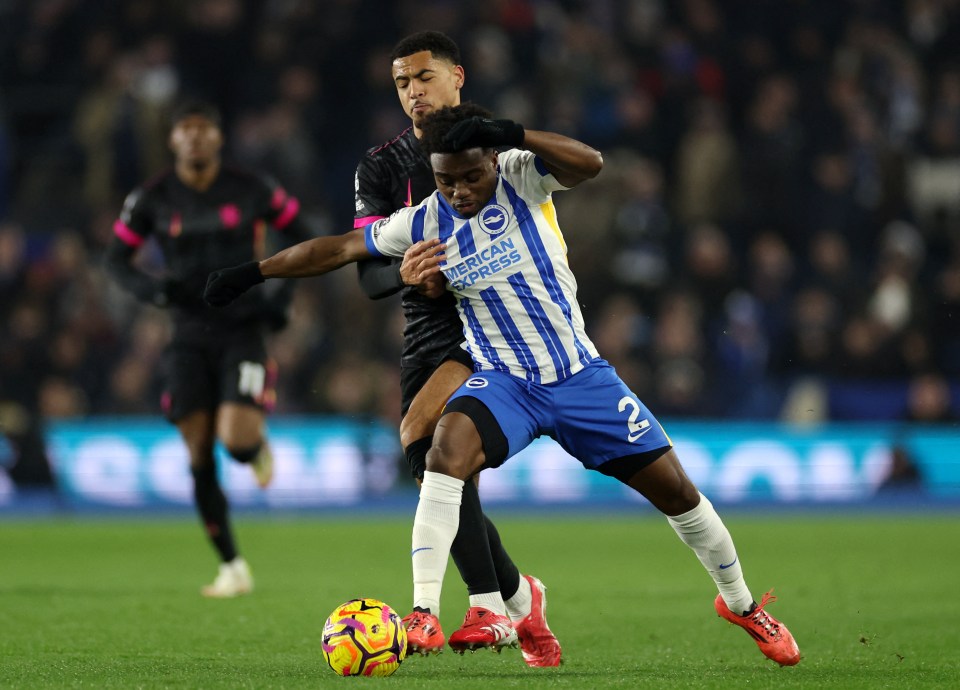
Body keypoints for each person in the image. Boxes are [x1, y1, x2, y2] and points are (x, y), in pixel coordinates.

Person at [204, 103, 802, 666]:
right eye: (446, 181)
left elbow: (591, 163)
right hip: (504, 381)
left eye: (469, 177)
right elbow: (336, 249)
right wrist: (251, 273)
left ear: (492, 160)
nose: (459, 192)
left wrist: (513, 133)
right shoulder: (424, 221)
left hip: (578, 377)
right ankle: (422, 614)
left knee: (679, 496)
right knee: (442, 453)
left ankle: (742, 605)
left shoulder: (521, 175)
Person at [350, 31, 559, 664]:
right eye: (402, 83)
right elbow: (367, 272)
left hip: (496, 321)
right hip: (428, 333)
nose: (414, 92)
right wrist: (403, 274)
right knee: (433, 462)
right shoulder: (380, 169)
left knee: (426, 441)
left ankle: (488, 606)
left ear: (458, 76)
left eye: (424, 77)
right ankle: (521, 596)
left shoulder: (499, 147)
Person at [106, 100, 313, 598]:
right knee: (198, 451)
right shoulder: (150, 198)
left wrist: (280, 296)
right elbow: (117, 259)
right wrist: (153, 291)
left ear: (219, 138)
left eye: (204, 131)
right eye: (185, 131)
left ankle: (255, 445)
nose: (195, 139)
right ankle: (232, 566)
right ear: (173, 139)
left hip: (242, 328)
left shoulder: (253, 188)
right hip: (187, 335)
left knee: (236, 442)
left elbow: (301, 233)